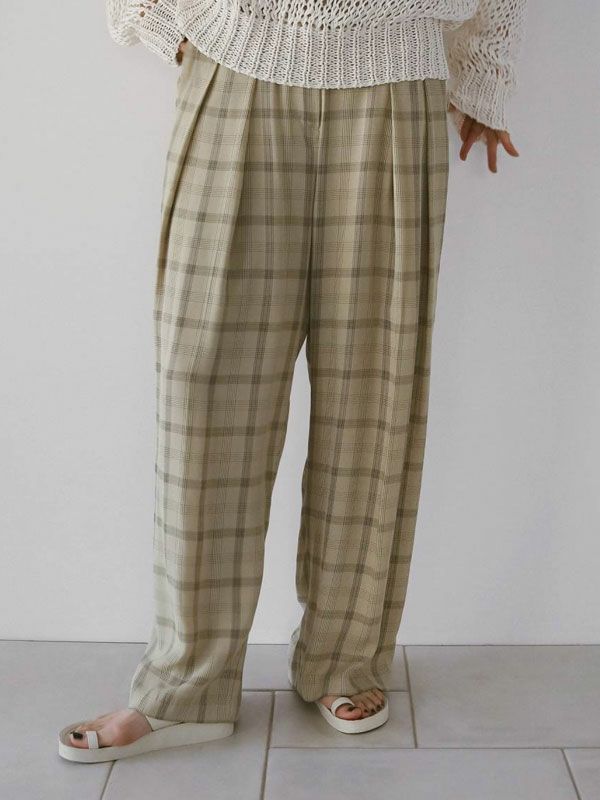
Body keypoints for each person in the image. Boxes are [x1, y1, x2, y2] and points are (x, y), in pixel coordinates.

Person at [58, 0, 528, 762]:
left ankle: (344, 659)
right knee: (203, 389)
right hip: (234, 66)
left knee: (375, 386)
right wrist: (171, 23)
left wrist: (483, 71)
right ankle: (185, 683)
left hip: (395, 73)